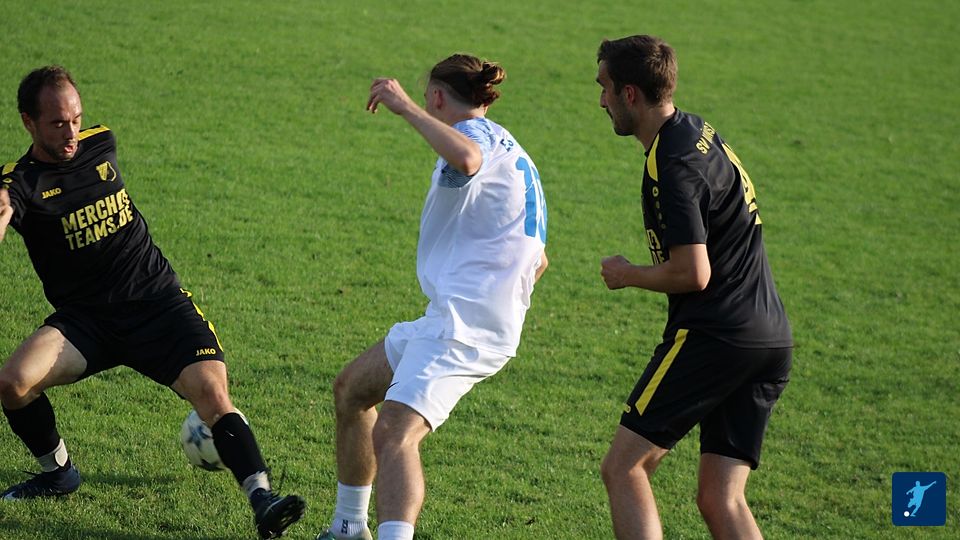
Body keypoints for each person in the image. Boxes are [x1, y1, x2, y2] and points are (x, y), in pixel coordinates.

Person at [0, 66, 305, 539]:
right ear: (28, 122)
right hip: (86, 321)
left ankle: (262, 498)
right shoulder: (22, 182)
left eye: (76, 119)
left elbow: (87, 140)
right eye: (58, 123)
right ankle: (58, 473)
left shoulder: (100, 142)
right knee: (13, 383)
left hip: (157, 303)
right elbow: (6, 199)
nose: (71, 133)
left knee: (213, 395)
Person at [315, 54, 548, 540]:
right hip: (454, 317)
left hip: (463, 325)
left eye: (424, 98)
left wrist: (403, 107)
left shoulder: (477, 140)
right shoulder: (511, 149)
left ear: (437, 97)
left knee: (394, 433)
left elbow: (466, 159)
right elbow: (539, 260)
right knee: (352, 391)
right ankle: (348, 527)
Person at [594, 36, 793, 539]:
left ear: (630, 94)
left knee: (624, 467)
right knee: (721, 497)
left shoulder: (673, 164)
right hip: (768, 336)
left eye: (605, 88)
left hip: (716, 336)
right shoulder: (697, 130)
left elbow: (693, 272)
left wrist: (628, 273)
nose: (601, 101)